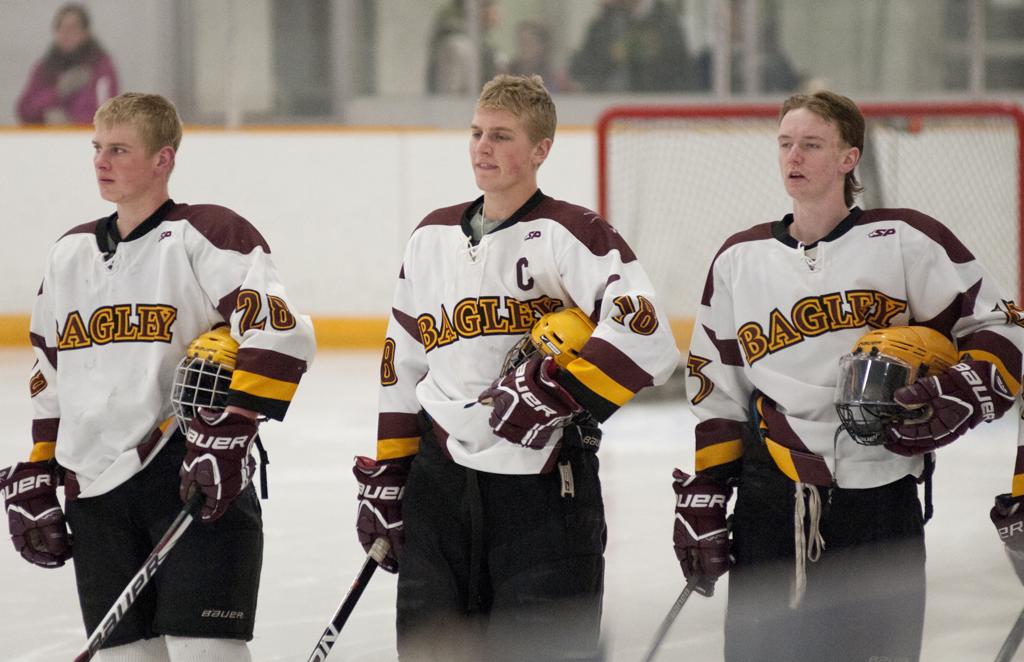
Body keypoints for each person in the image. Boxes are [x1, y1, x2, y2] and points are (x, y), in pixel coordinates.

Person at [675, 90, 1024, 661]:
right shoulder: (738, 259)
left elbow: (1001, 324)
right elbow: (717, 388)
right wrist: (707, 493)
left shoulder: (906, 238)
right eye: (786, 143)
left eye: (812, 145)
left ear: (848, 157)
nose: (795, 156)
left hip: (881, 496)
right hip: (770, 501)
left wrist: (964, 388)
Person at [353, 74, 679, 661]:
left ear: (540, 150)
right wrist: (389, 471)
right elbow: (401, 360)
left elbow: (647, 334)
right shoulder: (430, 236)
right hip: (439, 486)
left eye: (501, 136)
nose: (483, 147)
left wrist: (561, 391)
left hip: (543, 488)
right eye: (477, 133)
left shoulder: (571, 232)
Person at [2, 92, 316, 660]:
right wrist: (39, 465)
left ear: (162, 159)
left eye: (119, 149)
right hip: (94, 487)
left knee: (207, 651)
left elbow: (281, 331)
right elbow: (50, 369)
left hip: (190, 469)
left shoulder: (207, 233)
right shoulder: (69, 253)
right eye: (97, 148)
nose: (101, 161)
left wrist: (235, 427)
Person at [16, 3, 119, 125]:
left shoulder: (101, 67)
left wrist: (72, 124)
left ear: (85, 32)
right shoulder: (44, 67)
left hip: (87, 138)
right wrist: (58, 92)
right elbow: (24, 110)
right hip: (49, 139)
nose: (66, 34)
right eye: (60, 28)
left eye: (72, 28)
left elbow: (109, 114)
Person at [569, 0, 695, 93]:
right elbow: (580, 70)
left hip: (656, 113)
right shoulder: (603, 24)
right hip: (608, 107)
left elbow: (682, 78)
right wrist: (610, 55)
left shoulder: (668, 24)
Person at [426, 0, 505, 95]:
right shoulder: (457, 43)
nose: (497, 15)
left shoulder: (487, 47)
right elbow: (451, 94)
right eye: (488, 6)